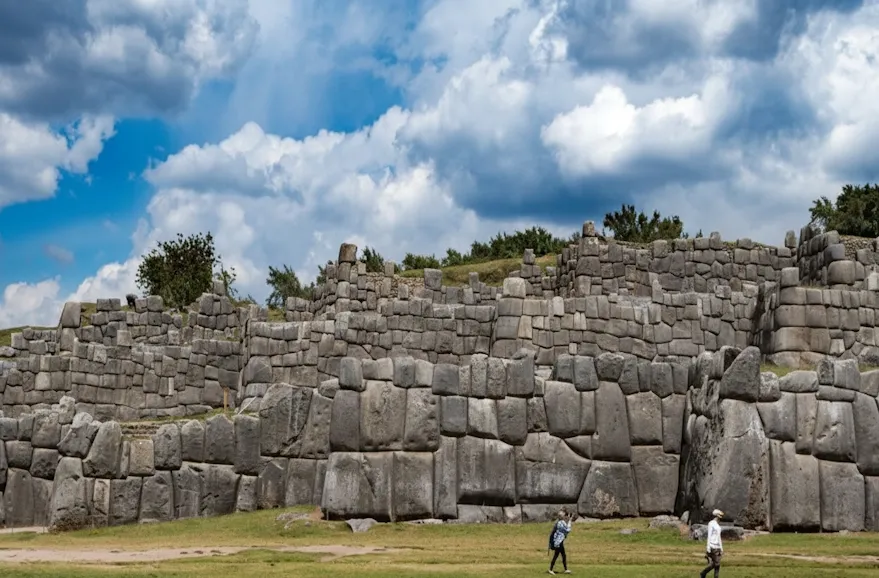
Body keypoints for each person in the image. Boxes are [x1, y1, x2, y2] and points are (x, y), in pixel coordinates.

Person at [547, 508, 574, 575]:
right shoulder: (561, 523)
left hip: (559, 541)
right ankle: (550, 569)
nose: (565, 516)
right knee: (556, 555)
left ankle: (566, 569)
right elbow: (568, 530)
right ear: (562, 516)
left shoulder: (559, 522)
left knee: (563, 555)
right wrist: (570, 520)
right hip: (558, 542)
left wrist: (568, 520)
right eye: (565, 515)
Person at [700, 509, 724, 577]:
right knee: (717, 563)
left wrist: (721, 548)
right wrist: (708, 547)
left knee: (716, 564)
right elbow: (709, 536)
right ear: (716, 516)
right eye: (719, 516)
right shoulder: (711, 523)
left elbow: (719, 537)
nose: (720, 518)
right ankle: (704, 573)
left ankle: (704, 573)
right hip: (712, 546)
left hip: (718, 547)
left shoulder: (718, 525)